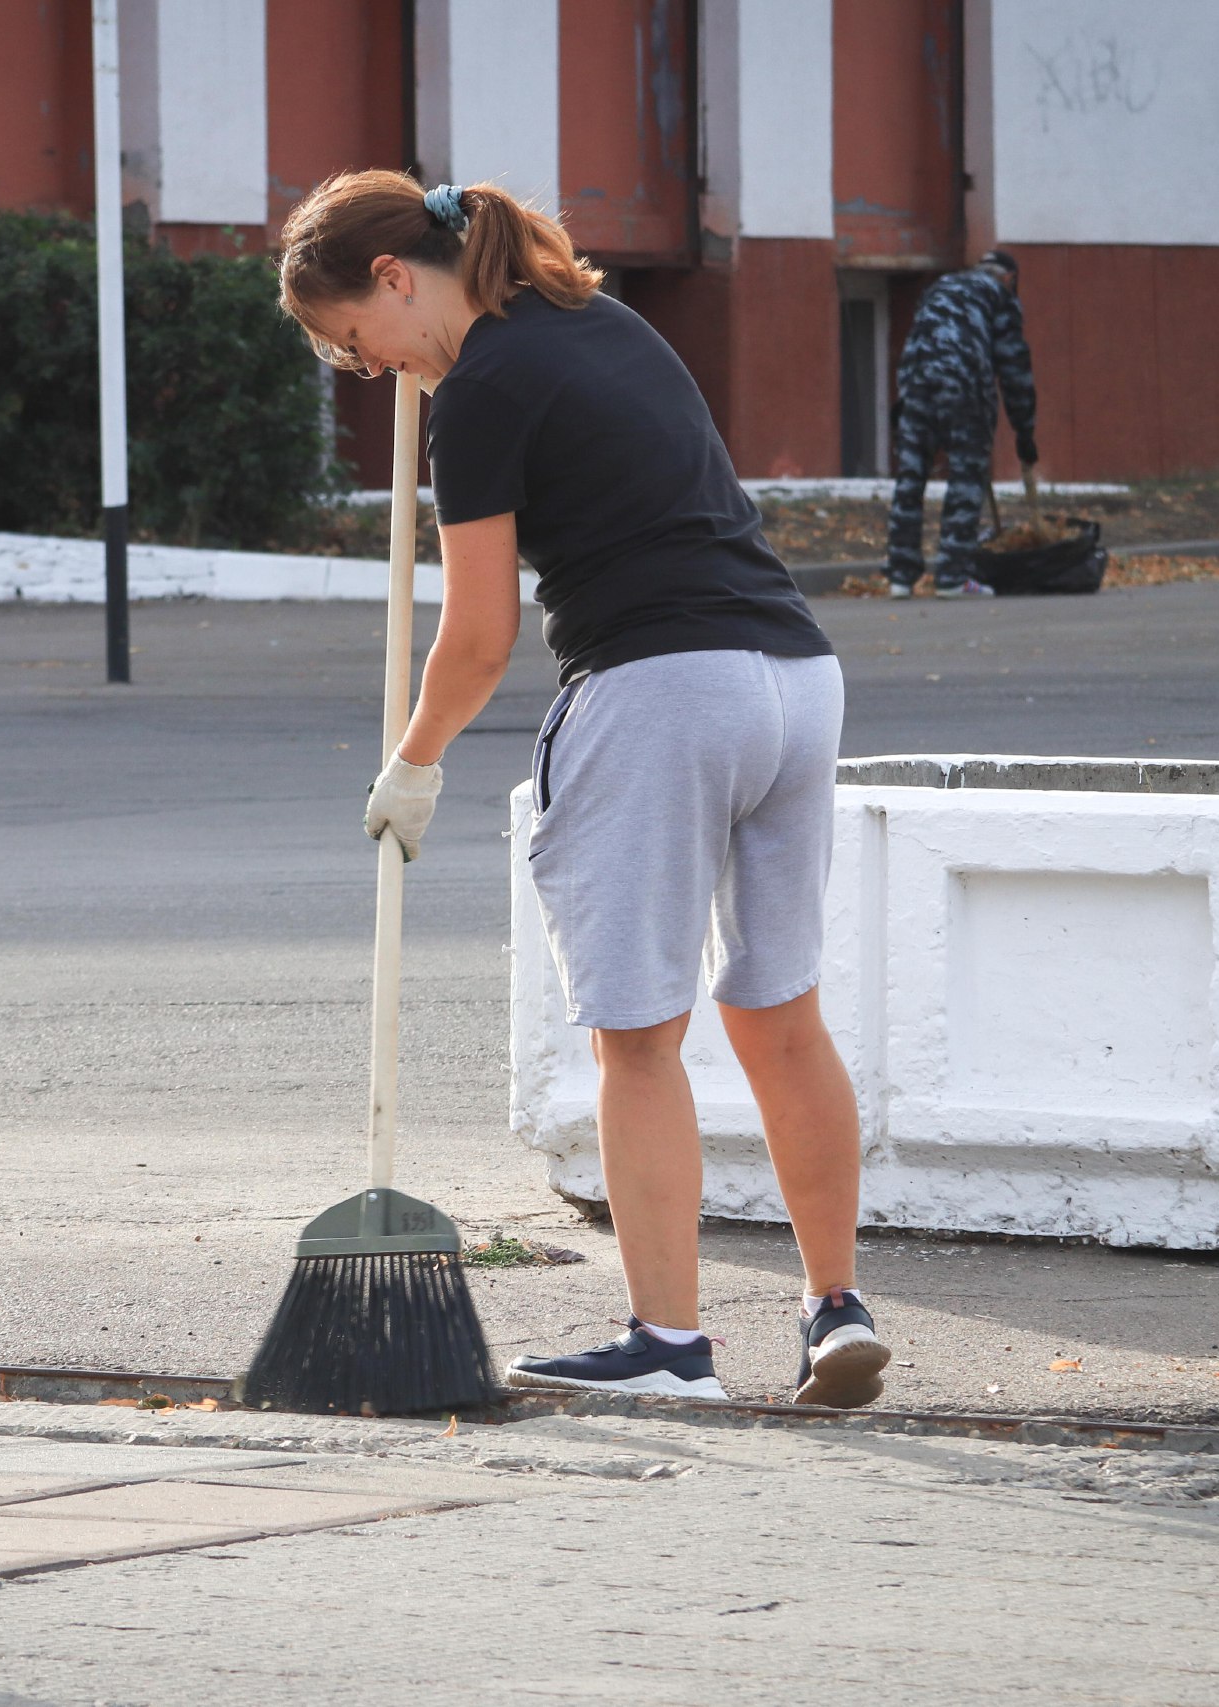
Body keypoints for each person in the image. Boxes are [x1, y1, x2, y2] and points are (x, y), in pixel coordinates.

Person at [276, 171, 891, 1409]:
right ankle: (835, 1307)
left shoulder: (481, 390)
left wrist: (414, 758)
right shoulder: (600, 319)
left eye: (355, 345)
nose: (374, 371)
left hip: (661, 690)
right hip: (792, 678)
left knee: (636, 1037)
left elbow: (482, 631)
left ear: (394, 280)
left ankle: (668, 1346)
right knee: (779, 1014)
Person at [885, 248, 1038, 599]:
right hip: (964, 387)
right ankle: (953, 576)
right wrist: (1025, 431)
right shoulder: (999, 295)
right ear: (1009, 278)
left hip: (915, 385)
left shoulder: (941, 286)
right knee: (966, 476)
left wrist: (904, 399)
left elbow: (919, 338)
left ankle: (901, 576)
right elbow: (1014, 368)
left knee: (910, 477)